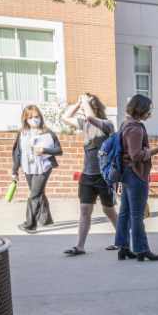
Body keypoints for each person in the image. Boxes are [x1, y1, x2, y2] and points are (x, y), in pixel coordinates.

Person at [114, 94, 158, 261]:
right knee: (137, 215)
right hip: (136, 174)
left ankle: (123, 247)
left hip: (126, 173)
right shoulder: (135, 128)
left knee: (125, 212)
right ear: (141, 109)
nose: (149, 112)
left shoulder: (126, 124)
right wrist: (157, 150)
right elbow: (136, 155)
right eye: (148, 108)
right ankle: (141, 249)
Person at [60, 94, 118, 254]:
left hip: (104, 176)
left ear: (95, 107)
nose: (85, 110)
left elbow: (91, 117)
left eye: (87, 105)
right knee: (85, 210)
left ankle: (122, 240)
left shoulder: (107, 124)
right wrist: (78, 103)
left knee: (109, 210)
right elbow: (65, 117)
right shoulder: (84, 123)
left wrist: (85, 102)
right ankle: (80, 246)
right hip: (87, 175)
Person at [12, 105, 62, 234]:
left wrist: (44, 150)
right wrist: (14, 171)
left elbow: (59, 151)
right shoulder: (22, 133)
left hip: (44, 167)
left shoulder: (48, 132)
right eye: (30, 117)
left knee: (34, 195)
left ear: (40, 117)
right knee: (38, 192)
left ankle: (30, 225)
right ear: (25, 119)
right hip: (28, 168)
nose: (34, 119)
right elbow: (17, 152)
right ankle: (45, 219)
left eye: (36, 116)